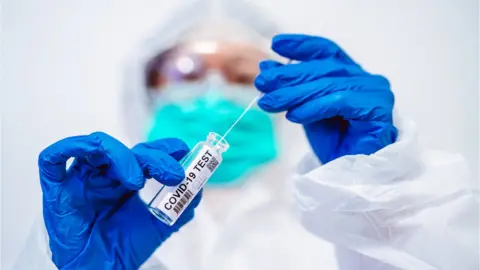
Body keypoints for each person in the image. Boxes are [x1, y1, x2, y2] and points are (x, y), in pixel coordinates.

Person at [15, 0, 478, 269]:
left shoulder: (342, 216)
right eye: (185, 70)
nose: (214, 92)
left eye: (241, 73)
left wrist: (381, 193)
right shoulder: (102, 221)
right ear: (144, 91)